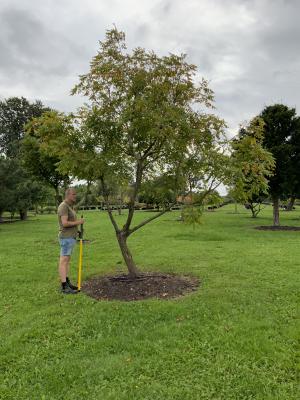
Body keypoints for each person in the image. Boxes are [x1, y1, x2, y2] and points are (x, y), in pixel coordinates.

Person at [57, 188, 84, 294]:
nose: (75, 196)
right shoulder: (63, 206)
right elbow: (64, 223)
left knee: (67, 261)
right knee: (63, 261)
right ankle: (64, 287)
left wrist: (76, 231)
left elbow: (70, 222)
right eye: (73, 194)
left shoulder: (69, 206)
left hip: (70, 237)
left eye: (75, 194)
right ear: (67, 195)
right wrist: (79, 222)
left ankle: (67, 282)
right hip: (66, 237)